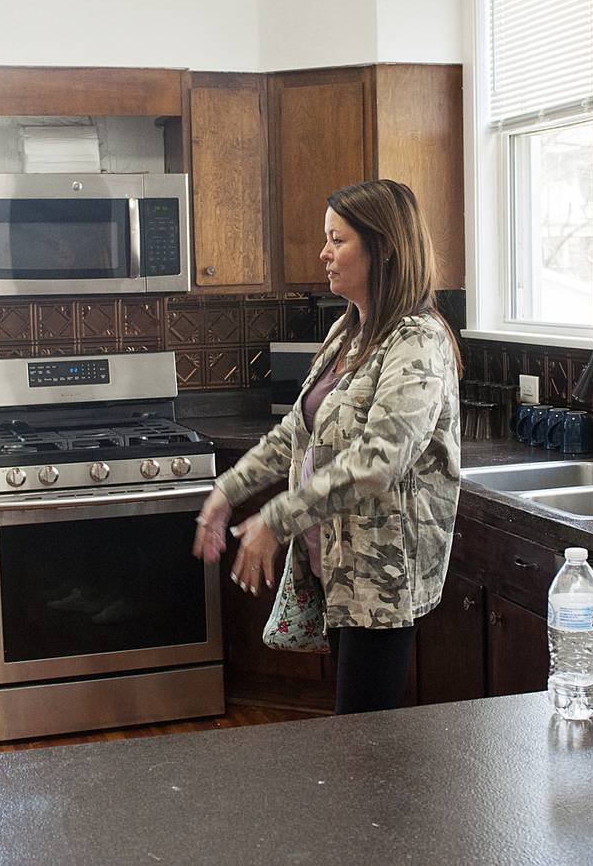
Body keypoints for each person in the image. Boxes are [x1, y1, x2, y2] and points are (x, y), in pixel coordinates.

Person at [191, 179, 462, 714]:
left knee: (362, 743)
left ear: (383, 247)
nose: (323, 253)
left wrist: (277, 518)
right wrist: (226, 491)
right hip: (336, 566)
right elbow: (297, 431)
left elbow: (379, 461)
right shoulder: (350, 332)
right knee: (357, 742)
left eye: (337, 240)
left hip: (381, 578)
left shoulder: (418, 340)